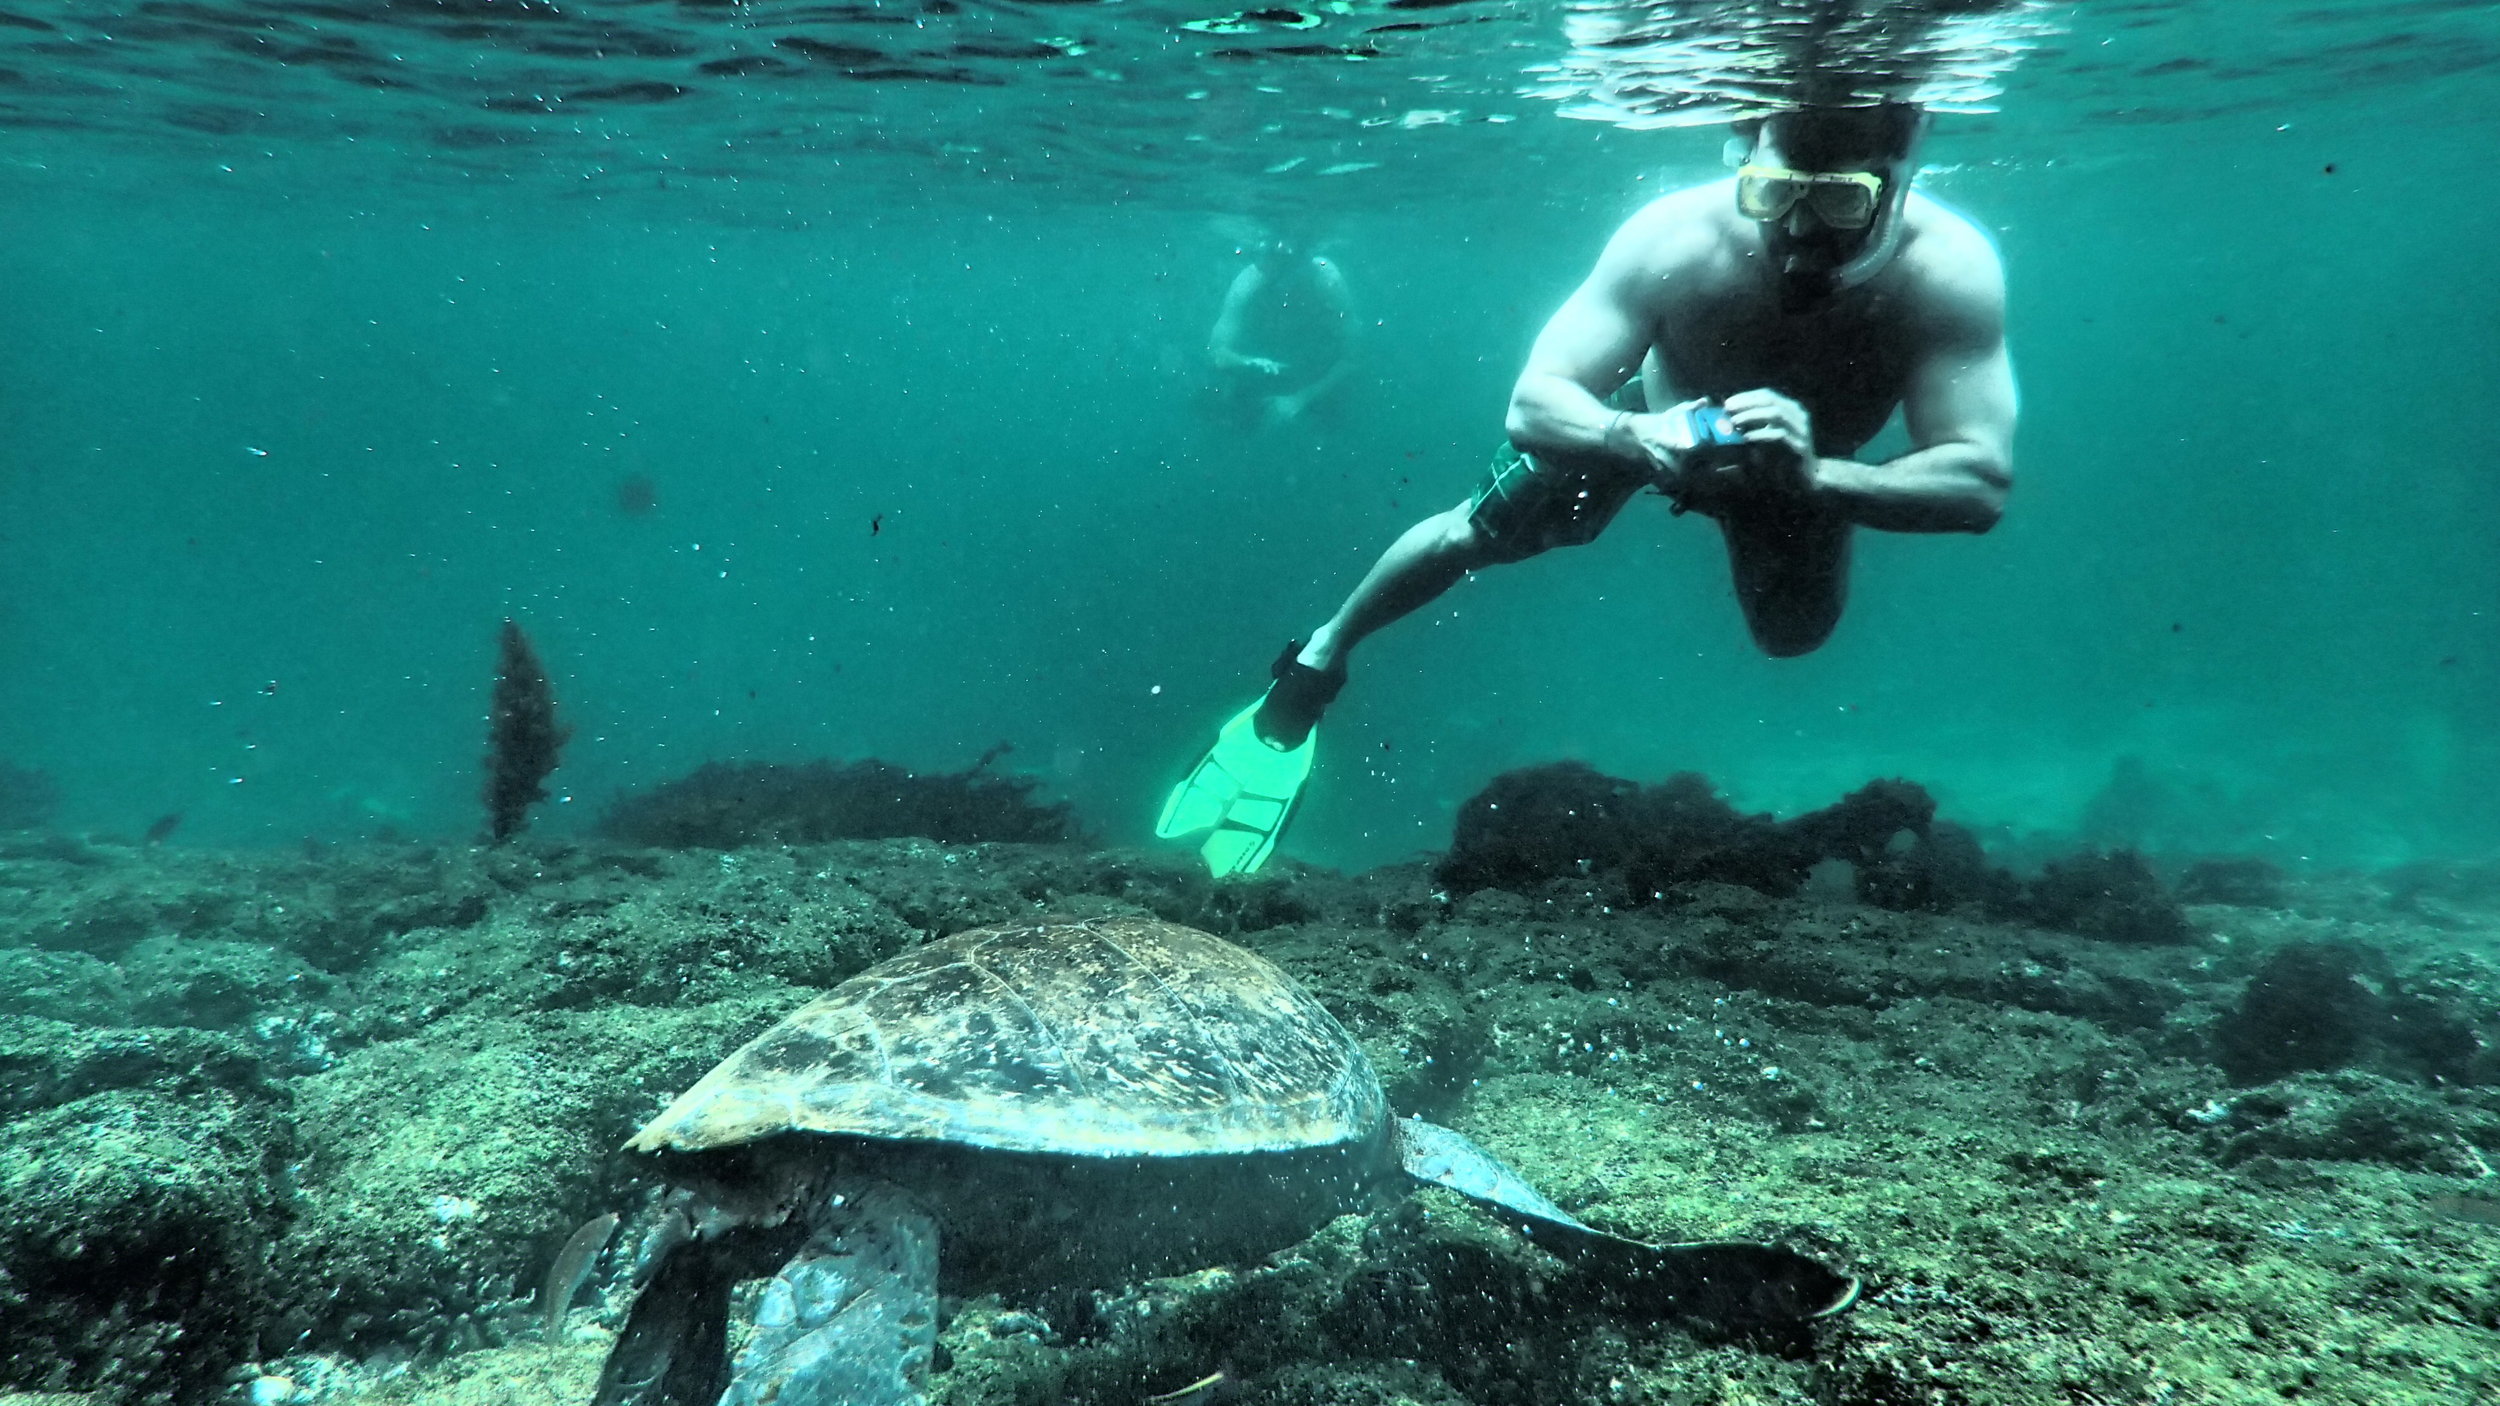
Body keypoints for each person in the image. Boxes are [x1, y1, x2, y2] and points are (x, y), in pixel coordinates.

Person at [1159, 102, 2017, 876]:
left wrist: (1820, 479)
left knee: (1791, 636)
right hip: (1644, 427)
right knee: (1475, 533)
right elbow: (1535, 401)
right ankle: (1309, 674)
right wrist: (1632, 436)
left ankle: (1789, 485)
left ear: (1898, 186)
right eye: (1772, 194)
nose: (1797, 232)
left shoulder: (1946, 271)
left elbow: (1979, 483)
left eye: (1838, 204)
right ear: (1741, 164)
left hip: (1797, 476)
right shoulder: (1673, 239)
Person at [1202, 233, 1358, 429]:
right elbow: (1216, 352)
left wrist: (1300, 399)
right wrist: (1247, 362)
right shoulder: (1247, 284)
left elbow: (1352, 358)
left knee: (1334, 423)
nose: (1279, 280)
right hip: (1266, 375)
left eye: (1285, 267)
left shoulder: (1327, 280)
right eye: (1267, 267)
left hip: (1319, 375)